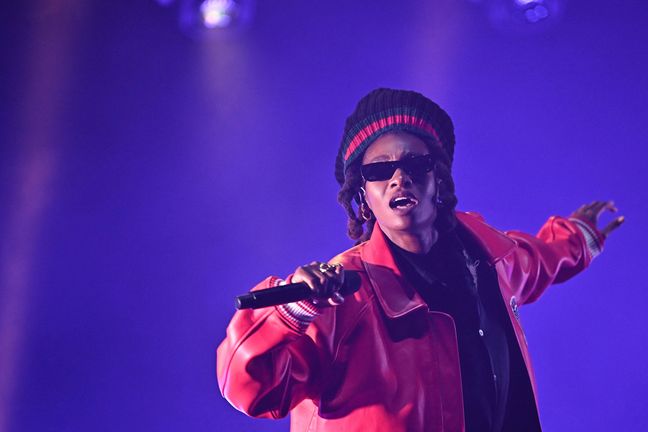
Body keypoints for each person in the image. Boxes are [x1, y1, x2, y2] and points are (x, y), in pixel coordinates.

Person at [216, 88, 624, 431]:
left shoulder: (488, 256)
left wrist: (580, 236)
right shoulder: (342, 294)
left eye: (415, 163)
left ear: (438, 178)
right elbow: (252, 389)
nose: (399, 177)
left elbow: (538, 259)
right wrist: (289, 313)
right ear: (364, 194)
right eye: (380, 170)